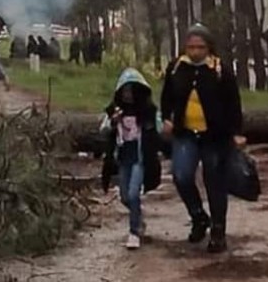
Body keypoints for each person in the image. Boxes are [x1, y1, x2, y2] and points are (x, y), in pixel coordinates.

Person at [160, 23, 244, 254]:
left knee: (214, 182)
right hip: (185, 133)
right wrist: (166, 118)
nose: (195, 51)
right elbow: (166, 97)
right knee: (181, 175)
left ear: (209, 47)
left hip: (215, 136)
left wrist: (237, 132)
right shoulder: (177, 67)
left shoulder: (219, 70)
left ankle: (218, 230)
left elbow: (233, 102)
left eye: (200, 47)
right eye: (191, 47)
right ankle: (198, 216)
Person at [100, 68, 162, 250]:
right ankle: (139, 217)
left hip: (140, 159)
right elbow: (103, 130)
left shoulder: (148, 112)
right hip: (123, 158)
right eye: (124, 91)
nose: (128, 95)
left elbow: (157, 129)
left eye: (131, 91)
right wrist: (113, 121)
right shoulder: (114, 111)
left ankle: (134, 232)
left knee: (134, 193)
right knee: (125, 197)